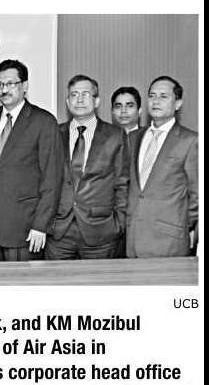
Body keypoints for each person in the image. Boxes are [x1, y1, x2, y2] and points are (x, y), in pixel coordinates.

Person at [0, 59, 64, 261]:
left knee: (21, 281)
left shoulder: (43, 121)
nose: (4, 89)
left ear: (25, 86)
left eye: (11, 83)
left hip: (25, 226)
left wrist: (41, 225)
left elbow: (52, 178)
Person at [46, 75, 128, 260]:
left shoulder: (115, 135)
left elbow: (122, 183)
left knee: (98, 280)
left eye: (85, 94)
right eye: (74, 94)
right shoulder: (54, 133)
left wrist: (119, 224)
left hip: (101, 231)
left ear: (96, 101)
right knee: (55, 279)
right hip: (59, 231)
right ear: (67, 102)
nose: (80, 99)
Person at [126, 76, 198, 258]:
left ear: (178, 104)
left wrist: (182, 224)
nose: (156, 101)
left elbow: (197, 194)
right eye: (152, 95)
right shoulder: (133, 138)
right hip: (132, 237)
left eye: (163, 96)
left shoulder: (191, 140)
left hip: (169, 240)